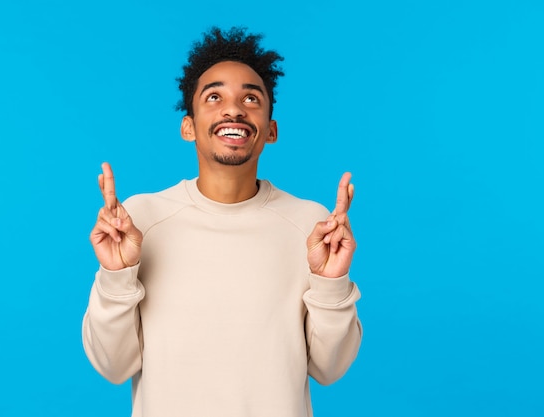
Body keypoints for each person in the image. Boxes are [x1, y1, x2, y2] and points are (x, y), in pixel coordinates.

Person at [82, 27, 362, 417]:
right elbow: (114, 367)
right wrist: (116, 275)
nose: (234, 109)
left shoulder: (310, 225)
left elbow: (329, 369)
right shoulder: (140, 220)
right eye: (214, 97)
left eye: (251, 97)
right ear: (188, 126)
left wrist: (332, 285)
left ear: (271, 130)